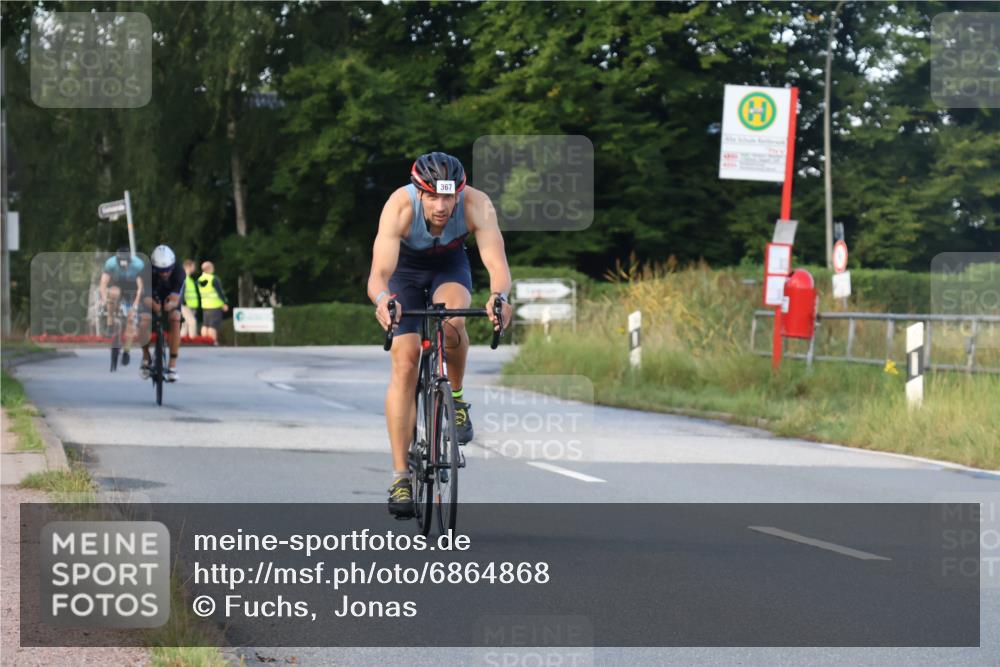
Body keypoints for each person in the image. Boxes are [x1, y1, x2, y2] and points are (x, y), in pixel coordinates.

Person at [367, 152, 512, 518]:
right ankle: (401, 477)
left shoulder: (477, 204)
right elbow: (379, 274)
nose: (442, 205)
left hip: (449, 265)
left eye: (449, 196)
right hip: (405, 271)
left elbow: (496, 263)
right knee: (405, 361)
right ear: (419, 192)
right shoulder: (399, 206)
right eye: (432, 196)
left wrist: (500, 296)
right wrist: (385, 301)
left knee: (453, 321)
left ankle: (457, 400)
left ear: (460, 192)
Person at [138, 245, 185, 382]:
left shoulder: (179, 272)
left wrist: (169, 305)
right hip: (151, 295)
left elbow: (175, 299)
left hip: (171, 297)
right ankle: (146, 357)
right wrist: (155, 306)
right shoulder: (146, 271)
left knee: (175, 318)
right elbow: (145, 296)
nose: (164, 274)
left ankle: (172, 365)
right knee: (144, 319)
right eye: (161, 271)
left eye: (167, 270)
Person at [98, 247, 145, 366]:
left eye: (126, 264)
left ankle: (126, 351)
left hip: (132, 288)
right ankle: (110, 322)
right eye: (121, 265)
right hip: (117, 285)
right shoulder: (111, 264)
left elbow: (140, 288)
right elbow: (103, 284)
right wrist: (104, 300)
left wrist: (135, 305)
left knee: (130, 321)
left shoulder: (138, 265)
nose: (124, 267)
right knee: (112, 293)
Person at [197, 261, 229, 344]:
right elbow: (220, 293)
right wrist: (224, 303)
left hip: (205, 305)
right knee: (213, 325)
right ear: (209, 269)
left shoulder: (199, 279)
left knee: (205, 325)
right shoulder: (213, 279)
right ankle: (213, 341)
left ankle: (204, 341)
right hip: (214, 305)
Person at [181, 259, 201, 339]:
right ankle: (193, 340)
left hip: (191, 305)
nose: (194, 268)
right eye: (193, 266)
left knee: (186, 324)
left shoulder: (190, 279)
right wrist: (183, 302)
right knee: (192, 322)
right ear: (188, 267)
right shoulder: (184, 278)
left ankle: (182, 339)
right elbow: (181, 292)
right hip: (186, 305)